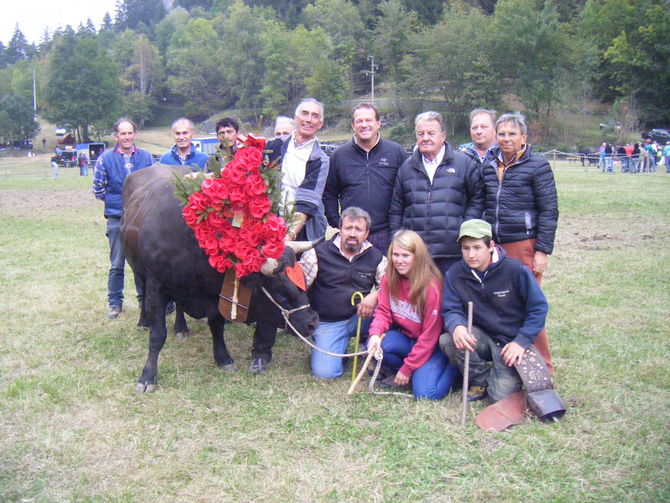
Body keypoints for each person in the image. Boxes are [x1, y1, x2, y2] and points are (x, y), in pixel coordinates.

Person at [250, 98, 330, 373]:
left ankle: (300, 327)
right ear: (296, 118)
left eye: (314, 116)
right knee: (265, 284)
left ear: (320, 123)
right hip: (265, 224)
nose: (308, 119)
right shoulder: (273, 147)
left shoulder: (320, 159)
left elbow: (307, 203)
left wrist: (286, 238)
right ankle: (262, 350)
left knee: (293, 285)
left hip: (297, 231)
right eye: (304, 114)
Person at [440, 219, 549, 403]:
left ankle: (504, 375)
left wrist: (521, 342)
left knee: (499, 398)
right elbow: (451, 308)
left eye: (477, 248)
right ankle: (479, 379)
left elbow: (538, 308)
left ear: (490, 246)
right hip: (480, 336)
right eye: (466, 248)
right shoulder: (455, 273)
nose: (471, 254)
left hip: (510, 343)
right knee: (448, 339)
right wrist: (456, 326)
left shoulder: (515, 270)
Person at [481, 112, 557, 372]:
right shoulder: (489, 164)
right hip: (496, 244)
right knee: (500, 302)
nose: (506, 139)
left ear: (524, 137)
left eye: (512, 134)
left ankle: (543, 365)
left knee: (528, 303)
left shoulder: (537, 166)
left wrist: (542, 250)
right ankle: (509, 362)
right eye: (501, 134)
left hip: (523, 243)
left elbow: (549, 209)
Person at [389, 110, 484, 275]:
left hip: (453, 252)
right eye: (421, 133)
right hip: (416, 253)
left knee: (451, 300)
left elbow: (477, 200)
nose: (425, 138)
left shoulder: (464, 163)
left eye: (431, 133)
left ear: (443, 135)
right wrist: (398, 239)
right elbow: (396, 209)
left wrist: (464, 228)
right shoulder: (406, 167)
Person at [367, 230, 458, 400]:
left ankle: (454, 367)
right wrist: (375, 334)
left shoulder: (431, 288)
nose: (399, 261)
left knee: (426, 394)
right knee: (378, 345)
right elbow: (384, 311)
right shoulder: (390, 278)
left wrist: (407, 368)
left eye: (405, 255)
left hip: (432, 347)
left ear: (418, 256)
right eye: (395, 255)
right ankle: (413, 371)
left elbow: (429, 337)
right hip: (408, 340)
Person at [299, 207, 386, 379]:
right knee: (325, 373)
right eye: (348, 228)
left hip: (362, 318)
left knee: (394, 315)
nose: (352, 234)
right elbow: (299, 290)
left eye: (358, 229)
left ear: (366, 233)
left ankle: (384, 357)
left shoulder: (376, 257)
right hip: (329, 322)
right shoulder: (316, 254)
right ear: (340, 228)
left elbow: (392, 286)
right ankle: (330, 344)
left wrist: (375, 295)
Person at [323, 102, 408, 253]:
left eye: (368, 120)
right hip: (352, 235)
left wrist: (399, 228)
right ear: (353, 125)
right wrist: (337, 222)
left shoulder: (396, 153)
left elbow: (407, 191)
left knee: (386, 277)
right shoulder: (339, 156)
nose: (364, 125)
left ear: (378, 124)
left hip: (386, 233)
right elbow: (329, 193)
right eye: (359, 121)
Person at [92, 118, 154, 319]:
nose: (126, 137)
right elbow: (98, 189)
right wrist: (117, 204)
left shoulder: (146, 158)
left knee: (142, 263)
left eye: (130, 133)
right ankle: (115, 303)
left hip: (142, 220)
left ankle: (144, 301)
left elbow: (154, 186)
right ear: (115, 136)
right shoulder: (105, 159)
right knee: (117, 263)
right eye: (122, 133)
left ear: (134, 135)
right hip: (117, 218)